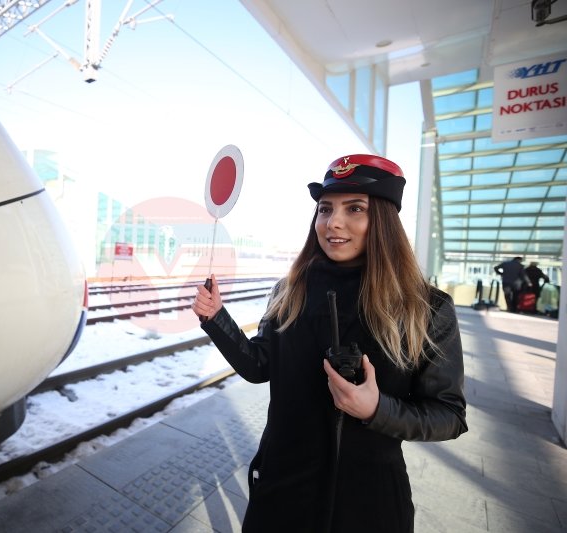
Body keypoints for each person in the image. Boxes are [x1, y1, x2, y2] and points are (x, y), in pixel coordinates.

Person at [192, 154, 467, 533]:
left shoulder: (426, 308)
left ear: (384, 221)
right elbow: (259, 366)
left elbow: (449, 415)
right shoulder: (290, 291)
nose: (333, 222)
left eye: (355, 208)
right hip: (280, 490)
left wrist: (378, 409)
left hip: (368, 505)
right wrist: (217, 319)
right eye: (325, 209)